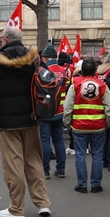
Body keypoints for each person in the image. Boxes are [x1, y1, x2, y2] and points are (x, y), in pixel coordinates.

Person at [0, 27, 50, 217]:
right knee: (34, 161)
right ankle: (42, 203)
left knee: (13, 164)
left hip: (6, 121)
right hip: (31, 117)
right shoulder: (34, 59)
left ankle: (17, 208)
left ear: (4, 40)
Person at [63, 57, 110, 193]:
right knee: (97, 155)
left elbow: (68, 107)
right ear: (95, 70)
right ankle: (96, 185)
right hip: (98, 126)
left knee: (80, 155)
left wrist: (67, 123)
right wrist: (108, 123)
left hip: (79, 126)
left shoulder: (75, 84)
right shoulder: (102, 85)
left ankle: (82, 185)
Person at [41, 46, 69, 178]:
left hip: (46, 110)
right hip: (60, 109)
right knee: (58, 140)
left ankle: (45, 170)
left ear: (45, 58)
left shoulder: (43, 71)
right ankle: (61, 169)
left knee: (45, 141)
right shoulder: (64, 71)